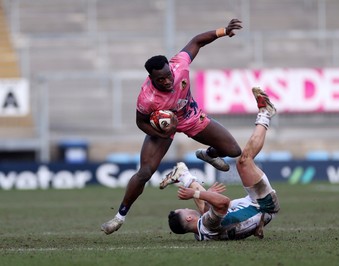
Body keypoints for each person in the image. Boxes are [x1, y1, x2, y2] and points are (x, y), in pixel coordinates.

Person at [101, 19, 243, 234]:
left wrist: (223, 31)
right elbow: (140, 122)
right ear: (151, 78)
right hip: (163, 127)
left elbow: (197, 41)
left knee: (233, 151)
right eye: (161, 79)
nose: (167, 81)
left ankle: (208, 154)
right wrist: (161, 131)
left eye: (168, 76)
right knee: (145, 172)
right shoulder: (147, 98)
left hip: (191, 117)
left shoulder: (179, 65)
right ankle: (119, 217)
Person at [161, 87, 280, 240]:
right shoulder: (207, 224)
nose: (186, 207)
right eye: (184, 210)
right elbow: (224, 202)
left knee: (206, 208)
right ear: (188, 218)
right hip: (263, 205)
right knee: (243, 161)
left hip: (259, 213)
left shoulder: (201, 235)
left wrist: (207, 196)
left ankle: (184, 176)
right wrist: (197, 193)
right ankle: (265, 113)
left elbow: (213, 214)